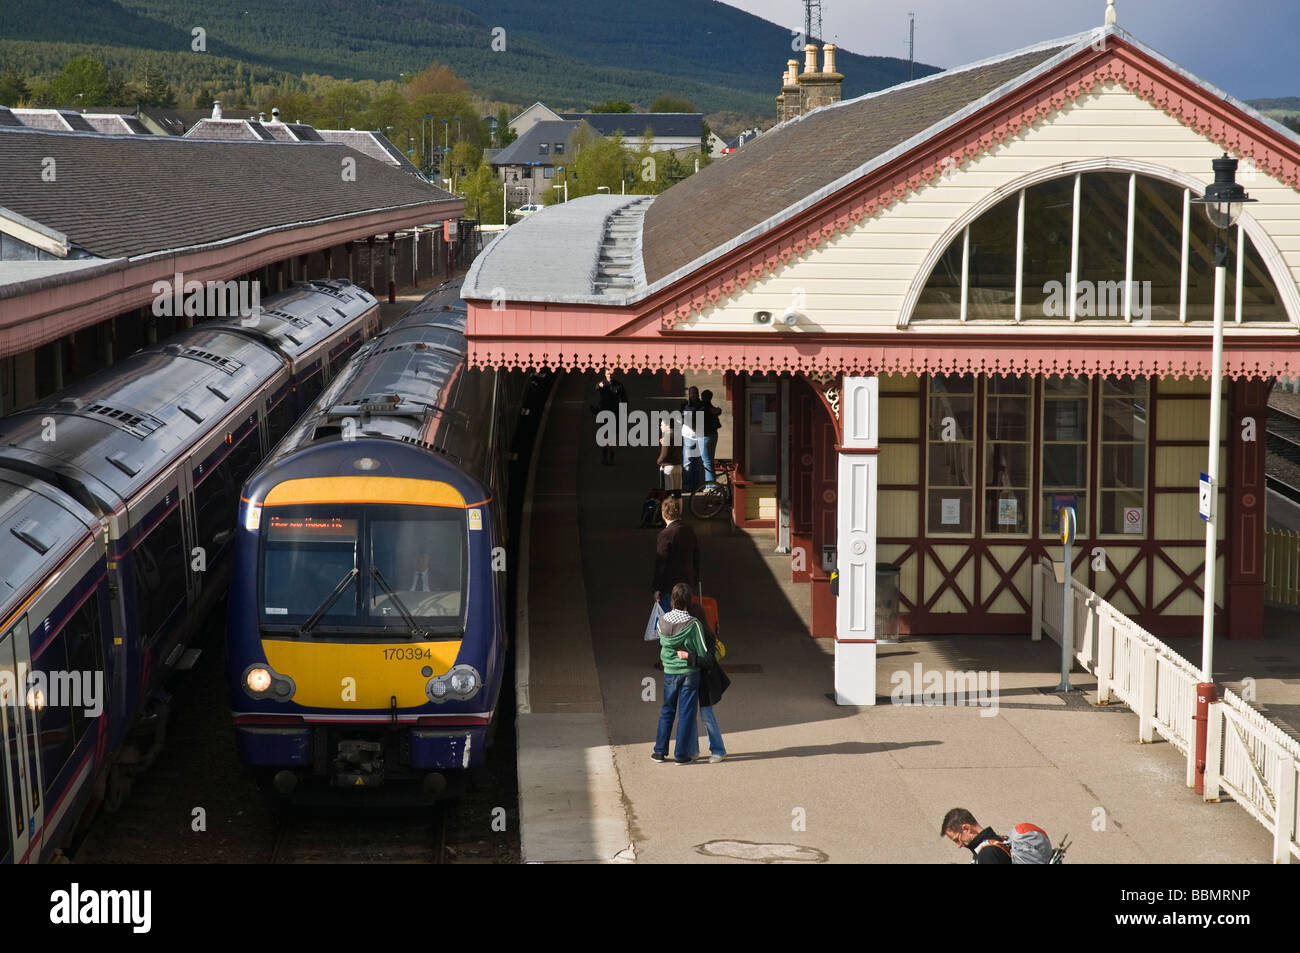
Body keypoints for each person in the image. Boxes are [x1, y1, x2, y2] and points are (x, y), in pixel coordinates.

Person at [651, 583, 710, 764]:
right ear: (689, 601)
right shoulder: (694, 625)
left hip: (669, 671)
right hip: (689, 673)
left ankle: (659, 751)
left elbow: (663, 644)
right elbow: (703, 653)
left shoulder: (662, 621)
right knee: (685, 714)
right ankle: (680, 755)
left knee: (667, 710)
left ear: (673, 600)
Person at [677, 594, 726, 763]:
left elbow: (709, 661)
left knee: (706, 715)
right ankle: (694, 750)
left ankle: (718, 750)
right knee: (697, 715)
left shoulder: (707, 636)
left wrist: (688, 657)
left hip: (704, 681)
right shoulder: (700, 633)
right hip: (695, 679)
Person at [652, 495, 699, 613]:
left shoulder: (665, 535)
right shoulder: (689, 530)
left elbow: (661, 563)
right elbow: (696, 557)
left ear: (663, 514)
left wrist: (657, 588)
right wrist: (695, 580)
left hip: (670, 587)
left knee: (670, 622)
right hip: (687, 584)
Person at [940, 808, 1013, 864]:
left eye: (957, 839)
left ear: (966, 828)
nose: (958, 845)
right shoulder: (997, 841)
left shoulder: (987, 853)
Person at [594, 369, 628, 465]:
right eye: (608, 374)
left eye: (611, 374)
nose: (610, 375)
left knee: (613, 436)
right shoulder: (602, 384)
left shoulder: (618, 385)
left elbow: (624, 398)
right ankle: (605, 457)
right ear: (605, 374)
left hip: (615, 412)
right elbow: (596, 387)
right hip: (604, 412)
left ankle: (611, 457)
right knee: (604, 435)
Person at [680, 386, 705, 492]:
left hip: (699, 437)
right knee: (687, 462)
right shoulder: (686, 405)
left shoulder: (702, 405)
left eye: (695, 393)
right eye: (692, 393)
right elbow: (686, 420)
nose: (694, 395)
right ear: (689, 394)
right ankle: (687, 486)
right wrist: (695, 427)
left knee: (698, 463)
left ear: (698, 394)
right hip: (688, 436)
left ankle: (696, 486)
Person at [699, 389, 722, 484]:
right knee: (710, 460)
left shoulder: (702, 407)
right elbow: (717, 411)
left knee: (706, 461)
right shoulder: (711, 407)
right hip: (714, 435)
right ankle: (712, 482)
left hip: (704, 436)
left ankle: (710, 485)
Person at [656, 416, 682, 495]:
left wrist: (658, 461)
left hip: (668, 468)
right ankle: (679, 507)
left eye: (662, 425)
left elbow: (664, 456)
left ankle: (668, 507)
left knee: (667, 493)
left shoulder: (667, 437)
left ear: (668, 426)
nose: (660, 427)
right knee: (677, 493)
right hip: (678, 467)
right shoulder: (677, 435)